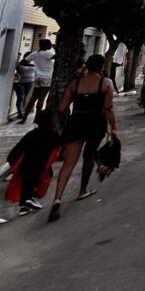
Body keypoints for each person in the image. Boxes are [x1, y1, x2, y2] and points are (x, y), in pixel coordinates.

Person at [47, 54, 117, 222]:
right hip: (96, 122)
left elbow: (62, 107)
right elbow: (108, 108)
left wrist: (62, 124)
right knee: (89, 156)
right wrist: (113, 128)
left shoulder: (75, 84)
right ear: (101, 67)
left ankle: (57, 198)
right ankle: (82, 190)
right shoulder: (106, 83)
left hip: (76, 122)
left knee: (69, 162)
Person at [1, 109, 62, 215]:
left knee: (26, 183)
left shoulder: (32, 134)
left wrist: (11, 160)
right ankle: (28, 200)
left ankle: (25, 206)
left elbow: (19, 147)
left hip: (26, 163)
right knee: (35, 183)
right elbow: (59, 149)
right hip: (40, 165)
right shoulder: (53, 135)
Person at [19, 38, 55, 123]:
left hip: (37, 78)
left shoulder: (34, 54)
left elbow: (22, 62)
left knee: (33, 99)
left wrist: (33, 66)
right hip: (47, 78)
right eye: (49, 43)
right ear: (45, 45)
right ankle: (37, 119)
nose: (51, 45)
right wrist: (56, 48)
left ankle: (24, 119)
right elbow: (58, 57)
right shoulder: (47, 53)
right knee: (41, 99)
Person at [11, 53, 35, 121]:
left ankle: (21, 111)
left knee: (25, 97)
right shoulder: (20, 63)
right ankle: (20, 113)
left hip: (30, 82)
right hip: (19, 82)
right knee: (21, 96)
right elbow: (16, 70)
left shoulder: (34, 63)